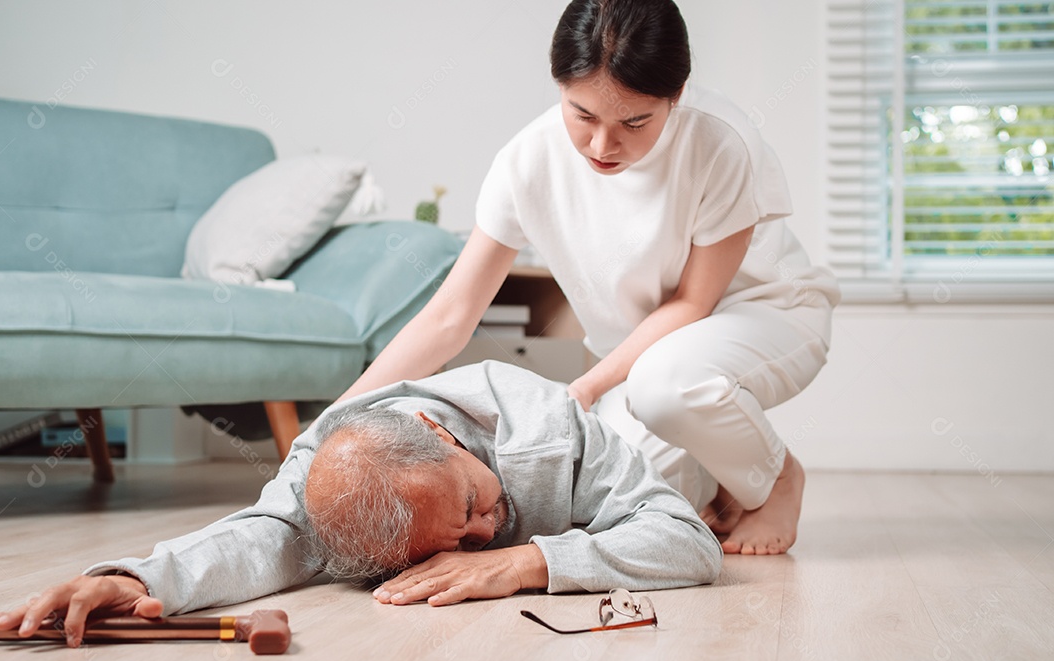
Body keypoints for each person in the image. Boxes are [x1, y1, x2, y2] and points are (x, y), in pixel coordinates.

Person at [336, 0, 841, 555]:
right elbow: (451, 315)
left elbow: (693, 303)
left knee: (667, 389)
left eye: (634, 122)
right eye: (583, 115)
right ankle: (723, 489)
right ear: (559, 86)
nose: (603, 146)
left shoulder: (720, 141)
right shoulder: (527, 162)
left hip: (765, 315)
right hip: (643, 357)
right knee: (610, 516)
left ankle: (777, 480)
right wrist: (334, 423)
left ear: (677, 93)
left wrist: (589, 387)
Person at [0, 362, 722, 647]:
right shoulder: (324, 478)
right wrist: (134, 581)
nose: (482, 528)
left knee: (695, 463)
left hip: (622, 426)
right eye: (456, 543)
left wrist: (526, 560)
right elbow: (263, 538)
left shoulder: (544, 428)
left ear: (437, 432)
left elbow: (686, 540)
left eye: (469, 499)